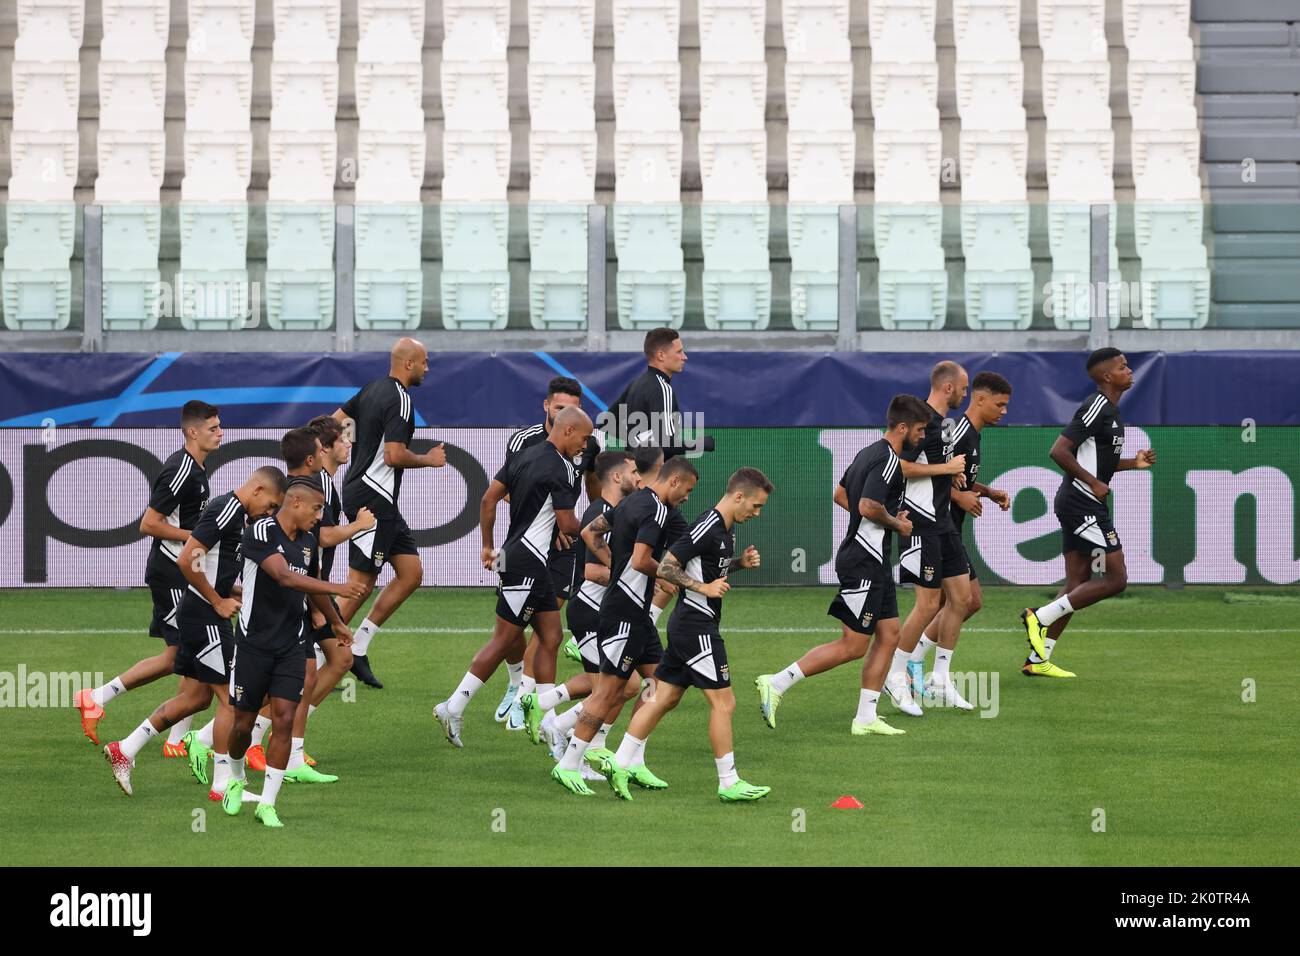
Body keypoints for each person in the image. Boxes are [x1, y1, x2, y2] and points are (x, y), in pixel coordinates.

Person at [100, 467, 286, 797]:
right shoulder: (226, 510)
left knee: (196, 698)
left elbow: (209, 564)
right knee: (233, 698)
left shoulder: (235, 514)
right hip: (204, 616)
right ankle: (223, 784)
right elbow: (187, 560)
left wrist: (230, 593)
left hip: (200, 613)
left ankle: (125, 749)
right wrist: (216, 601)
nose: (270, 514)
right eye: (271, 505)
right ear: (257, 490)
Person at [755, 396, 931, 735]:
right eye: (920, 430)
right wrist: (896, 523)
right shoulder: (887, 460)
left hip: (874, 561)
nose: (922, 437)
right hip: (862, 559)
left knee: (890, 634)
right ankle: (776, 682)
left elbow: (840, 494)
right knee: (853, 644)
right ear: (904, 427)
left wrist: (881, 521)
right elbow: (866, 505)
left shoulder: (869, 452)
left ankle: (865, 717)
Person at [600, 468, 772, 802]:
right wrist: (704, 588)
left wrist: (739, 564)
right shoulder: (708, 526)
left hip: (688, 626)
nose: (756, 513)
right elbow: (666, 566)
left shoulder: (725, 530)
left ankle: (620, 763)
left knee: (664, 697)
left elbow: (705, 567)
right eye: (755, 506)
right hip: (697, 626)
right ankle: (728, 782)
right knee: (724, 702)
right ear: (738, 496)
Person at [433, 406, 594, 747]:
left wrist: (488, 546)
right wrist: (604, 530)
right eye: (584, 437)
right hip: (528, 562)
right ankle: (453, 705)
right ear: (568, 431)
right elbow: (568, 525)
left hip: (517, 557)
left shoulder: (524, 456)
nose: (585, 445)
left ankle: (548, 721)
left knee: (550, 637)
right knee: (505, 640)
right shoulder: (560, 468)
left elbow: (489, 498)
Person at [548, 456, 704, 796]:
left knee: (660, 684)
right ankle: (569, 763)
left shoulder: (634, 502)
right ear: (674, 481)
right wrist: (686, 583)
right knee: (608, 691)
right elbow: (641, 561)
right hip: (623, 613)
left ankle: (632, 760)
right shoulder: (655, 511)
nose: (687, 497)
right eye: (688, 490)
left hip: (637, 614)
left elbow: (590, 533)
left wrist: (614, 565)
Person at [218, 478, 362, 828]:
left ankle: (268, 803)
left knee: (284, 719)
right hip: (253, 645)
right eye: (316, 509)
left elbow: (312, 590)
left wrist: (336, 623)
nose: (320, 517)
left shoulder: (310, 542)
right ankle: (235, 776)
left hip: (293, 645)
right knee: (243, 724)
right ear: (296, 503)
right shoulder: (261, 531)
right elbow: (283, 577)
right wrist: (339, 586)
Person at [77, 401, 220, 752]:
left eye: (219, 427)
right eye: (213, 428)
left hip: (183, 569)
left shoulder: (198, 467)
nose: (220, 433)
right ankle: (101, 700)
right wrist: (199, 537)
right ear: (192, 432)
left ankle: (108, 704)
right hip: (171, 572)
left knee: (186, 655)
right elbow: (149, 524)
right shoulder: (180, 470)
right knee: (183, 655)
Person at [1020, 349, 1156, 677]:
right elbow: (1059, 451)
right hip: (1081, 504)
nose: (1129, 370)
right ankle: (1040, 617)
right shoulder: (1096, 407)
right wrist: (1093, 482)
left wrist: (1131, 465)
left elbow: (1098, 462)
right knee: (1116, 578)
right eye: (1122, 366)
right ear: (1107, 376)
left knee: (1078, 580)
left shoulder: (1111, 411)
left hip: (1080, 501)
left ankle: (1038, 661)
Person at [331, 337, 446, 688]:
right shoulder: (401, 399)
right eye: (424, 362)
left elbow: (332, 423)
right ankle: (317, 652)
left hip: (374, 496)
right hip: (373, 498)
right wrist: (428, 460)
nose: (428, 368)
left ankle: (360, 645)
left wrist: (346, 451)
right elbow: (394, 456)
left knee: (410, 573)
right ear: (408, 364)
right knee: (360, 584)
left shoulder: (370, 389)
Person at [494, 376, 603, 730]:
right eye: (559, 407)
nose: (565, 414)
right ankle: (514, 684)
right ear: (547, 406)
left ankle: (526, 699)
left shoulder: (588, 443)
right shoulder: (524, 442)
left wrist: (587, 519)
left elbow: (591, 486)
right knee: (511, 631)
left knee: (548, 626)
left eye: (572, 408)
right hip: (529, 542)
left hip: (564, 545)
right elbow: (511, 490)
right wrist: (550, 524)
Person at [906, 372, 1013, 708]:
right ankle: (909, 666)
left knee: (965, 601)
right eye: (1000, 404)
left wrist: (986, 491)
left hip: (951, 529)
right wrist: (960, 497)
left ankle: (919, 668)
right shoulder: (959, 432)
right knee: (950, 602)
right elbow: (933, 476)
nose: (1004, 411)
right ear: (979, 400)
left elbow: (959, 477)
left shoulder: (973, 435)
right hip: (937, 528)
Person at [883, 362, 973, 717]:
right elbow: (897, 466)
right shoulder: (919, 423)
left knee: (962, 598)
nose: (965, 395)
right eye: (963, 388)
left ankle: (939, 677)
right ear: (948, 388)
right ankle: (895, 675)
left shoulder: (945, 426)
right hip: (918, 522)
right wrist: (945, 471)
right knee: (927, 604)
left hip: (943, 522)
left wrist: (952, 481)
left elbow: (934, 469)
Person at [603, 327, 713, 459]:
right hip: (654, 476)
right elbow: (666, 444)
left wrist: (637, 441)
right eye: (679, 352)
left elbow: (606, 421)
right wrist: (703, 443)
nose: (685, 357)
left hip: (635, 475)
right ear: (661, 355)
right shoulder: (662, 388)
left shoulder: (636, 384)